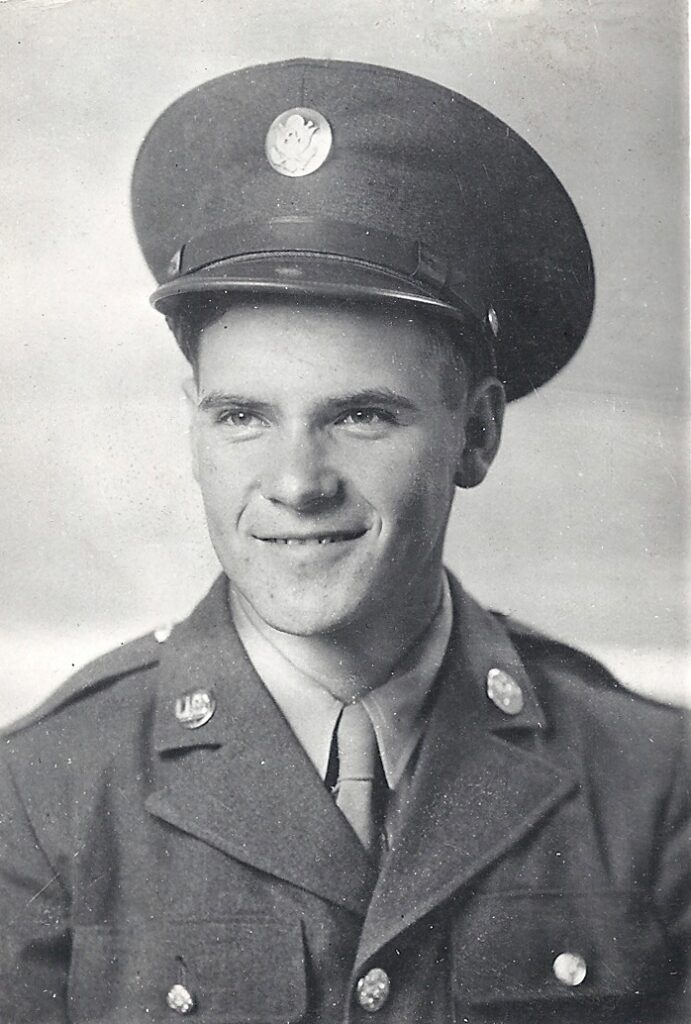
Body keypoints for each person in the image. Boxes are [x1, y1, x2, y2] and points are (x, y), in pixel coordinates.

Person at [1, 58, 688, 1024]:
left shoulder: (651, 785)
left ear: (476, 434)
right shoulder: (41, 796)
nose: (295, 483)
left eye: (361, 416)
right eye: (242, 416)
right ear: (191, 425)